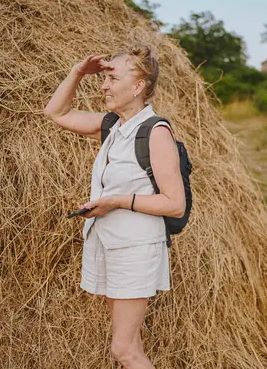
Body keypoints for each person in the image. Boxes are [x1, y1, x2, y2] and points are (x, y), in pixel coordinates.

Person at [44, 44, 185, 368]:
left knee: (124, 350)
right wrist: (78, 72)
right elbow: (56, 113)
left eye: (113, 79)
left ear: (138, 87)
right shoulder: (114, 127)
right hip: (110, 245)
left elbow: (174, 204)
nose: (104, 86)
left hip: (135, 251)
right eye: (103, 79)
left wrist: (115, 201)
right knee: (131, 344)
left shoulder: (154, 132)